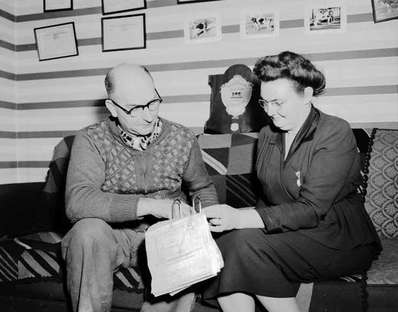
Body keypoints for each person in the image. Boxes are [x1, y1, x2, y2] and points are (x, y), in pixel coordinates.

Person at [203, 51, 381, 312]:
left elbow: (311, 209)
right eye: (264, 103)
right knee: (223, 244)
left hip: (336, 237)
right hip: (289, 231)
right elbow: (267, 198)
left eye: (278, 102)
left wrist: (240, 220)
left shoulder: (335, 131)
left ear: (307, 95)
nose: (270, 112)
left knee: (241, 245)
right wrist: (229, 218)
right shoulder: (267, 134)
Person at [61, 63, 218, 312]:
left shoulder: (182, 137)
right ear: (112, 108)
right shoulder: (90, 139)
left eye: (153, 102)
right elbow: (78, 201)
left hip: (168, 234)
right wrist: (152, 206)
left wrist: (207, 222)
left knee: (185, 239)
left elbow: (202, 188)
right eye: (135, 108)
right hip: (114, 236)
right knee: (86, 232)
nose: (148, 115)